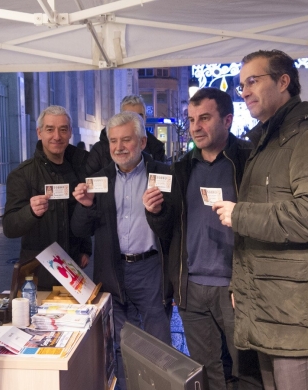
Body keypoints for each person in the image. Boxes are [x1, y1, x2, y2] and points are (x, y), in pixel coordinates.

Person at [144, 88, 262, 390]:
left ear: (228, 120)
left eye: (205, 118)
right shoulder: (181, 167)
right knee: (206, 370)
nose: (196, 126)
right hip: (192, 288)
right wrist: (154, 211)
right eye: (192, 119)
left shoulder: (250, 161)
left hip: (237, 288)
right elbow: (169, 228)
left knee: (247, 370)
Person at [213, 49, 308, 390]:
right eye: (241, 85)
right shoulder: (265, 140)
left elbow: (305, 215)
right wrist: (242, 286)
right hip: (269, 306)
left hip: (293, 315)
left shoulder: (303, 136)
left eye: (253, 81)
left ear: (284, 82)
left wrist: (239, 213)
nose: (244, 91)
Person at [71, 111, 173, 390]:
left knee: (159, 344)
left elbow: (173, 229)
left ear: (142, 142)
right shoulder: (99, 180)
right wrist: (85, 205)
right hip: (112, 270)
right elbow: (80, 230)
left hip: (151, 269)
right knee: (119, 343)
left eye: (126, 140)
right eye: (113, 141)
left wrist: (159, 212)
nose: (118, 147)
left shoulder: (163, 174)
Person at [2, 105, 91, 289]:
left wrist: (85, 248)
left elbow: (79, 214)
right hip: (37, 272)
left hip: (72, 269)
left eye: (63, 130)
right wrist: (30, 212)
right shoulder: (22, 175)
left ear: (70, 133)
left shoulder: (79, 169)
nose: (57, 136)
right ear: (39, 132)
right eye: (50, 129)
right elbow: (9, 228)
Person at [86, 94, 166, 175]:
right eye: (128, 116)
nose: (135, 120)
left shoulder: (156, 148)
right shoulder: (100, 150)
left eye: (139, 116)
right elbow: (89, 181)